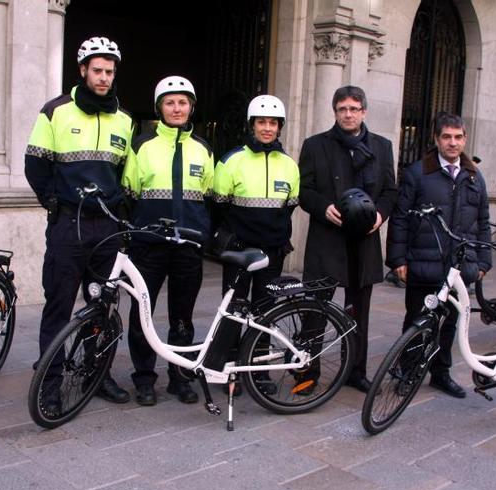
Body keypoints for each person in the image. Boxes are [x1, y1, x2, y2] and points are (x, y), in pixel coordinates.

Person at [24, 36, 133, 405]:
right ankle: (49, 386)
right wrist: (54, 204)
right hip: (68, 226)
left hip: (107, 228)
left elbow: (125, 175)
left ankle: (95, 375)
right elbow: (35, 165)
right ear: (83, 70)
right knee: (59, 306)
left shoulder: (125, 120)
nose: (103, 77)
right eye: (97, 70)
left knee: (103, 305)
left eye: (110, 71)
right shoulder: (55, 110)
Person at [120, 76, 214, 406]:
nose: (177, 108)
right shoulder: (141, 145)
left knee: (182, 316)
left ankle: (179, 377)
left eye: (183, 102)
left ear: (191, 107)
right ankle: (144, 378)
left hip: (188, 246)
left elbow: (207, 195)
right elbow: (129, 193)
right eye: (170, 102)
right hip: (149, 245)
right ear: (160, 107)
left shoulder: (203, 148)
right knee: (141, 314)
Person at [298, 85, 398, 393]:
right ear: (335, 112)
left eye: (354, 108)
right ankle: (307, 370)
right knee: (315, 310)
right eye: (342, 109)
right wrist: (322, 207)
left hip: (363, 242)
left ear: (364, 112)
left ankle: (356, 370)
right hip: (326, 239)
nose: (348, 114)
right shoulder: (315, 145)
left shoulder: (382, 146)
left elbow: (390, 191)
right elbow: (303, 190)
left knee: (358, 313)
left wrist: (380, 216)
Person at [386, 112, 491, 399]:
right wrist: (398, 259)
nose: (453, 143)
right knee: (417, 322)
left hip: (458, 267)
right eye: (447, 137)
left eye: (458, 137)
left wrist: (483, 261)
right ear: (436, 139)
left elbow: (482, 220)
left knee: (449, 324)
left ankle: (440, 374)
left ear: (465, 139)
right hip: (423, 261)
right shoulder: (417, 173)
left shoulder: (474, 176)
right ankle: (408, 371)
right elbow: (400, 218)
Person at [212, 95, 299, 394]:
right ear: (252, 125)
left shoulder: (289, 165)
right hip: (239, 251)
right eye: (261, 122)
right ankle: (227, 368)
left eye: (272, 123)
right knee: (233, 310)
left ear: (279, 127)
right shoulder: (230, 160)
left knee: (265, 313)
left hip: (272, 252)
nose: (267, 128)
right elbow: (219, 205)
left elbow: (290, 206)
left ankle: (259, 370)